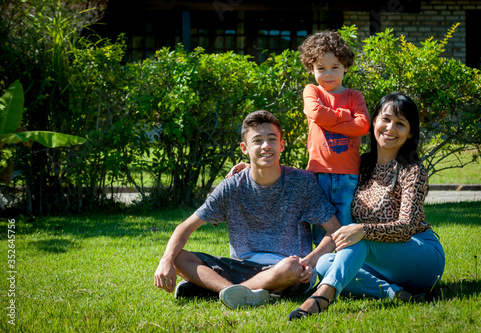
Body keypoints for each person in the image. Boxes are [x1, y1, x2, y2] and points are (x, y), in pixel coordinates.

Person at [154, 110, 342, 310]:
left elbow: (334, 230)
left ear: (282, 145)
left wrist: (310, 261)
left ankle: (221, 290)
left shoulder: (302, 182)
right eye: (257, 141)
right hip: (240, 268)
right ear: (244, 148)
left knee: (291, 267)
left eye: (271, 139)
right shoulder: (231, 187)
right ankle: (241, 292)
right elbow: (185, 227)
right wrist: (165, 260)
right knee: (179, 257)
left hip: (287, 270)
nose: (266, 146)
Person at [288, 92, 446, 320]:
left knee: (359, 238)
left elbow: (407, 226)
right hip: (380, 261)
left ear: (410, 132)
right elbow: (319, 174)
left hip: (420, 256)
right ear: (374, 122)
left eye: (400, 124)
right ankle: (395, 294)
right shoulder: (360, 165)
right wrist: (258, 170)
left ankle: (321, 298)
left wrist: (363, 230)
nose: (390, 128)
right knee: (325, 263)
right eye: (386, 119)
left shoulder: (412, 170)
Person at [298, 30, 370, 246]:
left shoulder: (354, 96)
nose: (328, 74)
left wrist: (332, 119)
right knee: (321, 227)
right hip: (318, 173)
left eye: (335, 67)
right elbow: (316, 113)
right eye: (321, 68)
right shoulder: (313, 91)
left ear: (345, 67)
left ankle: (349, 270)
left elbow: (363, 126)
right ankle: (322, 270)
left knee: (346, 226)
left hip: (348, 174)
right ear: (311, 68)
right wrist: (345, 116)